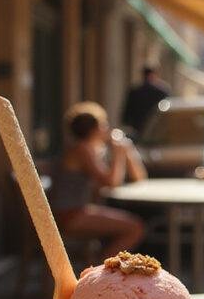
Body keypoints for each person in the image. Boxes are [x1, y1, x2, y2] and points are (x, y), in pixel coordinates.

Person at [51, 101, 147, 258]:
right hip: (69, 216)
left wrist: (126, 149)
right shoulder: (83, 150)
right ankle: (101, 274)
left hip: (74, 212)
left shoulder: (87, 150)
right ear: (95, 129)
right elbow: (112, 183)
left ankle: (101, 269)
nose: (107, 130)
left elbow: (138, 176)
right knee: (135, 228)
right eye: (104, 125)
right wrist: (118, 152)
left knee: (130, 225)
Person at [121, 65, 170, 136]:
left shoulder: (135, 91)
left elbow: (127, 113)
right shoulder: (162, 91)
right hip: (157, 131)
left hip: (138, 129)